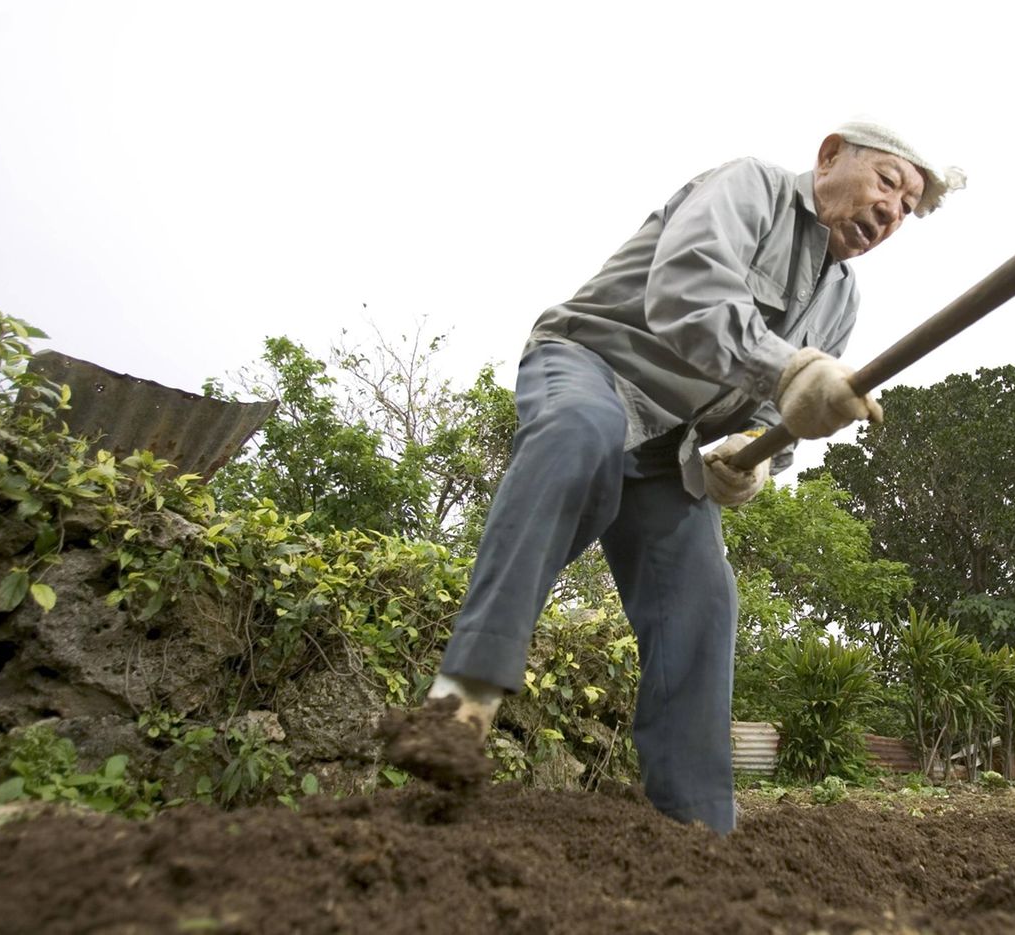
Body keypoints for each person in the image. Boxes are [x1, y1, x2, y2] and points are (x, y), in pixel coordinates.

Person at [399, 119, 964, 834]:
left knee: (703, 598)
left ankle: (697, 832)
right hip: (593, 368)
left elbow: (774, 410)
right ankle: (461, 700)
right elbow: (684, 289)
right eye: (888, 182)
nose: (893, 211)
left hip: (673, 443)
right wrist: (789, 367)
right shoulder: (750, 186)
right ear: (828, 157)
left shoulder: (842, 299)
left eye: (908, 206)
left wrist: (754, 449)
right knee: (579, 437)